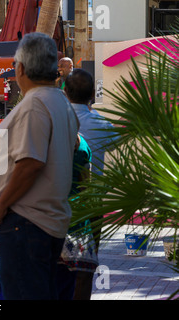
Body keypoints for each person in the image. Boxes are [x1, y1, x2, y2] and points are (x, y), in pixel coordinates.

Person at [0, 32, 79, 300]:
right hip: (41, 221)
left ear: (20, 68)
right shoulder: (59, 102)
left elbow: (31, 163)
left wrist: (0, 206)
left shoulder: (35, 104)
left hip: (26, 221)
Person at [64, 68, 119, 299]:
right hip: (91, 205)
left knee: (57, 268)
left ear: (65, 92)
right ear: (91, 96)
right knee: (85, 267)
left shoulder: (56, 121)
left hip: (56, 202)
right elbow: (114, 144)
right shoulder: (103, 125)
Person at [55, 133, 98, 300]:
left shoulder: (47, 140)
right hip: (76, 216)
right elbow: (85, 185)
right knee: (76, 276)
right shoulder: (82, 145)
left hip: (51, 215)